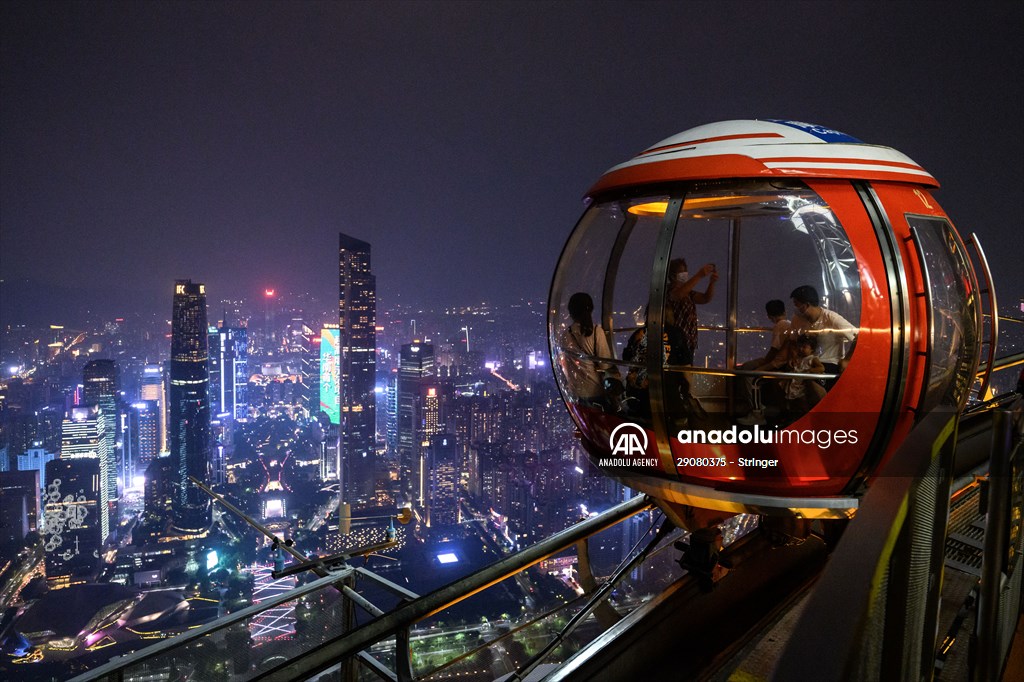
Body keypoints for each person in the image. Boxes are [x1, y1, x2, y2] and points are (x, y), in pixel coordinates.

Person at [558, 292, 622, 411]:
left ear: (571, 312)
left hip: (576, 394)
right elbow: (605, 364)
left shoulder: (565, 336)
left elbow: (563, 366)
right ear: (590, 309)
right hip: (596, 393)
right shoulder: (597, 332)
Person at [788, 285, 857, 388]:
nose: (795, 309)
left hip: (828, 364)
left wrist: (847, 360)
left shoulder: (832, 318)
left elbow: (858, 337)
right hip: (805, 362)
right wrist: (794, 356)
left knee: (810, 385)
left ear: (806, 305)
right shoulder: (797, 320)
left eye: (797, 305)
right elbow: (792, 340)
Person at [735, 300, 791, 422]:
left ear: (769, 316)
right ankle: (757, 406)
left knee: (751, 377)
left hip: (777, 364)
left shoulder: (779, 326)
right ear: (784, 311)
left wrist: (764, 364)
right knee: (747, 367)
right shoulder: (788, 323)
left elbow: (774, 350)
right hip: (779, 361)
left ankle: (757, 412)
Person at [665, 258, 719, 365]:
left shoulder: (688, 292)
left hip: (688, 342)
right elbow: (678, 295)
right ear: (672, 275)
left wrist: (712, 283)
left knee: (685, 371)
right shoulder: (668, 290)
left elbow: (705, 298)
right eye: (681, 272)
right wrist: (700, 275)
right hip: (674, 341)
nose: (684, 275)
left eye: (685, 271)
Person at [782, 334, 826, 418]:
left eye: (804, 347)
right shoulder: (798, 358)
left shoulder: (812, 358)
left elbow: (821, 368)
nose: (801, 349)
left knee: (803, 402)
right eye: (800, 347)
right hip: (795, 383)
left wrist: (809, 371)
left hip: (803, 385)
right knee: (794, 402)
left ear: (812, 349)